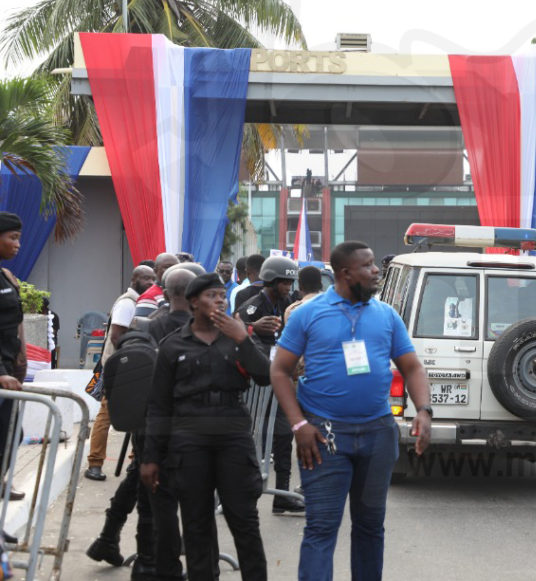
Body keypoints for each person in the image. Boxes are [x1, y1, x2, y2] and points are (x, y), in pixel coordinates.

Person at [270, 240, 432, 581]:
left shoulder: (386, 315)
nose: (376, 272)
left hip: (378, 434)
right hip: (324, 437)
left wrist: (424, 410)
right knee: (322, 528)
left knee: (371, 528)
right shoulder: (308, 315)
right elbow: (280, 370)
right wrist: (299, 425)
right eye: (369, 266)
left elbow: (413, 367)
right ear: (346, 273)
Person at [141, 273, 270, 581]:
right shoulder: (172, 346)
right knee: (196, 524)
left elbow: (265, 375)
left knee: (245, 522)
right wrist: (151, 458)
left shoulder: (238, 338)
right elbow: (159, 405)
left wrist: (242, 337)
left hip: (232, 434)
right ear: (194, 302)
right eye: (212, 296)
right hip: (189, 438)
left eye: (222, 296)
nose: (220, 301)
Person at [87, 266, 195, 579]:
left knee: (144, 483)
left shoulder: (147, 324)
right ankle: (152, 562)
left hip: (146, 424)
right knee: (167, 495)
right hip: (180, 424)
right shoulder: (196, 328)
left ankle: (125, 548)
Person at [236, 255, 303, 514]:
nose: (288, 286)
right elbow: (234, 333)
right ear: (271, 281)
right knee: (248, 441)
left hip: (281, 383)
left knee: (285, 437)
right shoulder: (252, 307)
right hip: (257, 386)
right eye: (284, 281)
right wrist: (252, 327)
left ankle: (282, 495)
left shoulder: (287, 303)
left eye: (290, 281)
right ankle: (236, 493)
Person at [86, 263, 156, 482]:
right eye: (147, 279)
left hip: (129, 366)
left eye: (154, 279)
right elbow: (117, 336)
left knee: (138, 414)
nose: (152, 283)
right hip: (120, 368)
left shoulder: (140, 301)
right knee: (106, 414)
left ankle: (135, 460)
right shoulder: (128, 303)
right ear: (135, 280)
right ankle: (95, 463)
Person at [0, 213, 26, 511]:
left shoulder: (5, 277)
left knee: (11, 433)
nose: (18, 244)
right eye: (12, 237)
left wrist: (21, 355)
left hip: (9, 367)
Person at [134, 254, 179, 319]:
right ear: (155, 271)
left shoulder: (181, 293)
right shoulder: (149, 296)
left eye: (176, 267)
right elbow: (141, 327)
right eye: (167, 267)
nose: (172, 270)